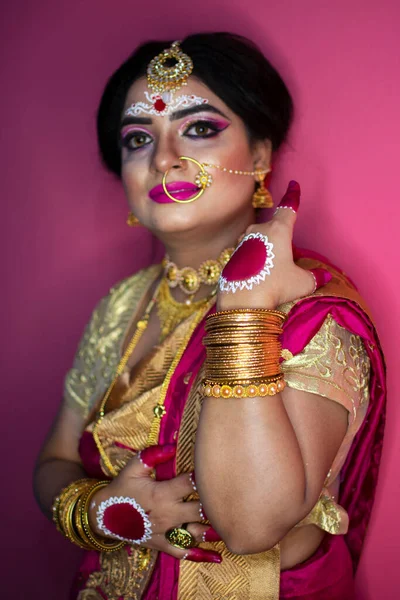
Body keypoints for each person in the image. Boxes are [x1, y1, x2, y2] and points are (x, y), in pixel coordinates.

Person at [33, 33, 386, 600]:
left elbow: (250, 527)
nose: (164, 159)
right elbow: (53, 459)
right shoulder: (124, 305)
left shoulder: (310, 304)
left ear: (263, 155)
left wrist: (243, 308)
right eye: (137, 138)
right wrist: (99, 510)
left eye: (199, 129)